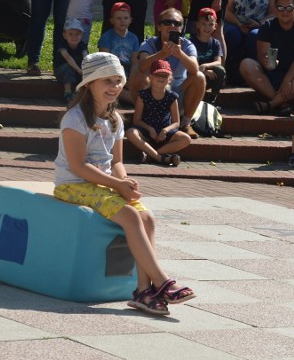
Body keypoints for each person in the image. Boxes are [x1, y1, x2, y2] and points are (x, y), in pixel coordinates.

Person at [53, 52, 196, 316]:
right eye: (106, 81)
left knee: (147, 218)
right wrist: (115, 185)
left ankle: (143, 291)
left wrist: (124, 181)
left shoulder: (115, 119)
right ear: (89, 84)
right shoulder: (74, 118)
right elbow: (78, 166)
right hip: (72, 184)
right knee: (131, 216)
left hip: (103, 184)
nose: (114, 87)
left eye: (118, 80)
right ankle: (162, 283)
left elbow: (116, 162)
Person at [240, 0, 294, 115]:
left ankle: (271, 104)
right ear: (275, 10)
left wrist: (287, 80)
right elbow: (262, 54)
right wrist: (266, 61)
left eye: (289, 8)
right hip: (271, 75)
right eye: (280, 8)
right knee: (246, 64)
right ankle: (281, 102)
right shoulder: (267, 26)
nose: (285, 11)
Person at [136, 8, 206, 139]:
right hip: (153, 94)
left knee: (199, 77)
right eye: (167, 22)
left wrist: (180, 54)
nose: (172, 26)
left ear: (181, 28)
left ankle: (185, 123)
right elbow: (142, 66)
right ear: (159, 26)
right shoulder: (149, 43)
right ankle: (140, 119)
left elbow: (194, 69)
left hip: (177, 94)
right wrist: (161, 54)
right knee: (137, 72)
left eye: (177, 23)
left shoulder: (186, 45)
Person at [125, 59, 191, 166]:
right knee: (130, 132)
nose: (161, 78)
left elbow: (176, 123)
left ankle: (152, 155)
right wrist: (149, 128)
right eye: (157, 75)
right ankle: (160, 158)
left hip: (164, 134)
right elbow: (136, 120)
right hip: (146, 132)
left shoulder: (172, 97)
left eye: (164, 76)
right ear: (150, 77)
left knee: (186, 139)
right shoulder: (143, 96)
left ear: (169, 79)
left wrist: (165, 130)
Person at [98, 2, 141, 105]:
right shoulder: (107, 37)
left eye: (125, 18)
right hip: (112, 71)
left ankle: (134, 98)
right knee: (114, 85)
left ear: (130, 20)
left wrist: (132, 78)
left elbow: (135, 62)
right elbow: (105, 61)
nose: (122, 21)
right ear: (112, 20)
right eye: (118, 18)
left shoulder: (134, 38)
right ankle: (135, 100)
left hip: (127, 72)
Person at [189, 8, 225, 104]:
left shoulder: (216, 43)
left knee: (220, 70)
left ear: (215, 26)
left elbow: (218, 62)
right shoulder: (191, 42)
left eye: (210, 25)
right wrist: (202, 71)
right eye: (204, 24)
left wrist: (204, 66)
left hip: (209, 76)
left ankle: (213, 96)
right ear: (197, 25)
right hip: (193, 75)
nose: (207, 28)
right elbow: (187, 63)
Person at [55, 19, 88, 103]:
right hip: (61, 72)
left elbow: (86, 57)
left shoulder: (82, 45)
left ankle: (82, 93)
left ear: (81, 35)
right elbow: (68, 58)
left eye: (77, 34)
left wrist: (85, 68)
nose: (74, 37)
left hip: (77, 70)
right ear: (64, 35)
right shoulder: (62, 45)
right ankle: (67, 92)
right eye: (70, 34)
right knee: (68, 67)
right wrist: (78, 69)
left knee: (87, 70)